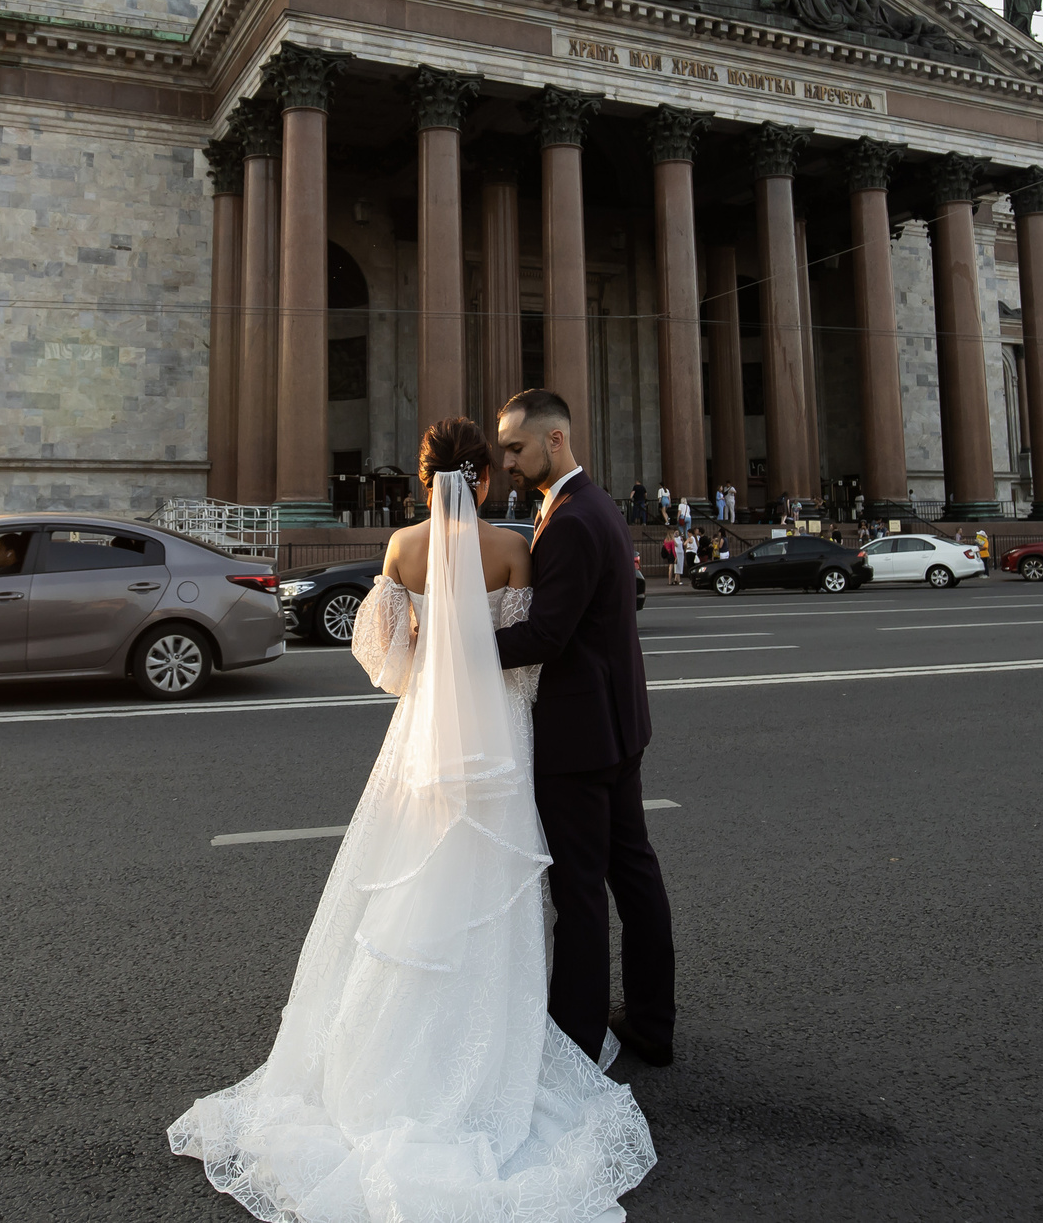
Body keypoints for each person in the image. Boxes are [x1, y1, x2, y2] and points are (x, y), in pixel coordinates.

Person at [170, 416, 656, 1215]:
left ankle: (390, 1046)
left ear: (423, 480)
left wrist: (433, 668)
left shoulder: (400, 548)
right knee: (493, 879)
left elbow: (386, 659)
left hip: (423, 735)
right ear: (484, 479)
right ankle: (496, 1032)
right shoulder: (511, 549)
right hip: (497, 734)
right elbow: (532, 656)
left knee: (410, 876)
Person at [492, 387, 677, 1072]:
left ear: (556, 439)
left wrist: (457, 647)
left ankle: (574, 1042)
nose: (507, 461)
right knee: (634, 874)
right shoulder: (595, 504)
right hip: (620, 726)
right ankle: (652, 1024)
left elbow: (548, 634)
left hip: (577, 739)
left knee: (579, 891)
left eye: (516, 447)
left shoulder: (570, 519)